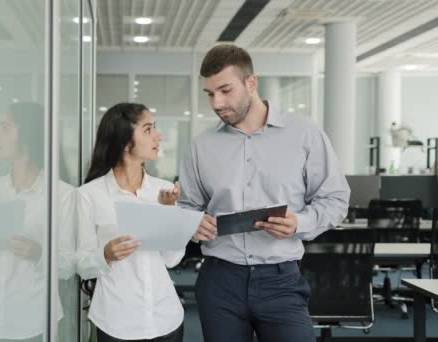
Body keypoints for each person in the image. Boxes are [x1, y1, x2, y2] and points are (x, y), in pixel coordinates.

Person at [177, 44, 350, 342]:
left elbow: (336, 199)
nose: (216, 103)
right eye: (209, 93)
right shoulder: (201, 145)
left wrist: (300, 223)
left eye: (225, 90)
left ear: (251, 83)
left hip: (281, 279)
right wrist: (193, 223)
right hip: (220, 281)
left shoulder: (304, 134)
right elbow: (187, 206)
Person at [0, 101, 77, 341]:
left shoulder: (63, 195)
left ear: (27, 134)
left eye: (5, 128)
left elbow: (68, 266)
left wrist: (39, 254)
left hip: (34, 323)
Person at [77, 102, 184, 342]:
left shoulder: (163, 191)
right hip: (117, 322)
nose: (158, 135)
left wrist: (169, 213)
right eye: (148, 129)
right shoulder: (89, 195)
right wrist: (105, 254)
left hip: (165, 317)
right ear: (125, 141)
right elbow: (82, 264)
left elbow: (172, 259)